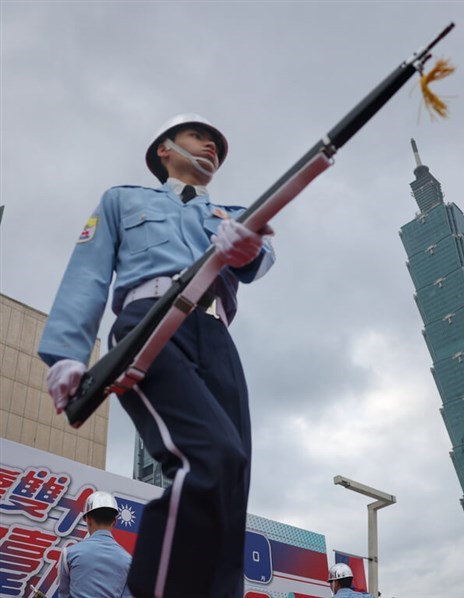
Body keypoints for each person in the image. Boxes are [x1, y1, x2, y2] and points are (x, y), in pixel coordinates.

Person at [39, 113, 275, 598]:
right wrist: (67, 352)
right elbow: (88, 274)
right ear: (164, 149)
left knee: (231, 482)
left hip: (214, 333)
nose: (210, 146)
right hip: (150, 323)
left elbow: (262, 259)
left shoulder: (231, 213)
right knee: (209, 455)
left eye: (216, 144)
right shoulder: (123, 200)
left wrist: (247, 246)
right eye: (197, 136)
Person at [59, 491, 133, 598]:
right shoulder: (128, 560)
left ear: (88, 520)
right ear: (115, 522)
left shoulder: (69, 554)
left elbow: (64, 594)